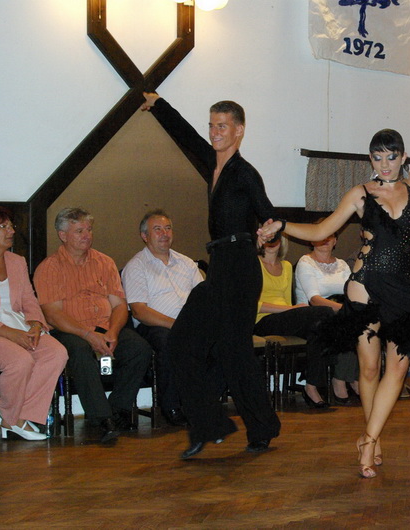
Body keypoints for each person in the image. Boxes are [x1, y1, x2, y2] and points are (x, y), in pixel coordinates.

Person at [258, 65, 410, 478]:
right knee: (369, 368)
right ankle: (370, 443)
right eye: (378, 156)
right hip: (365, 283)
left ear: (403, 158)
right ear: (371, 159)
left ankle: (369, 437)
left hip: (403, 287)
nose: (385, 163)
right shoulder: (360, 194)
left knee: (398, 366)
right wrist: (282, 224)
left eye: (392, 156)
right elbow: (321, 230)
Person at [141, 93, 280, 458]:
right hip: (218, 265)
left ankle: (258, 429)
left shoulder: (245, 174)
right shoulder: (211, 162)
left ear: (239, 131)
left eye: (223, 126)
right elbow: (185, 135)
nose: (215, 132)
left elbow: (270, 214)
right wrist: (159, 104)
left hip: (241, 267)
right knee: (183, 343)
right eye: (212, 126)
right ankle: (211, 423)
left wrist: (269, 232)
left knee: (233, 352)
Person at [34, 207, 152, 443]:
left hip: (105, 327)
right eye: (79, 231)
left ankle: (117, 408)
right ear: (63, 235)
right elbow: (53, 314)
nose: (87, 235)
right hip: (69, 330)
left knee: (139, 349)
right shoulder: (49, 268)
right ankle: (102, 418)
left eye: (88, 229)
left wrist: (113, 332)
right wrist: (88, 335)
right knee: (80, 351)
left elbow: (119, 305)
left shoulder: (104, 262)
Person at [121, 209, 204, 427]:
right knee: (169, 341)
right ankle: (171, 406)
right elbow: (139, 311)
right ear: (144, 236)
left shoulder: (186, 263)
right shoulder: (136, 266)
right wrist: (177, 325)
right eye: (157, 229)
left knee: (221, 339)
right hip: (154, 326)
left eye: (168, 228)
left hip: (188, 323)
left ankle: (205, 402)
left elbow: (204, 298)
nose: (164, 233)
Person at [0, 207, 68, 441]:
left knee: (56, 353)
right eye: (4, 227)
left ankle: (19, 417)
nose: (11, 231)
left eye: (11, 226)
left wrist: (36, 324)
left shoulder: (16, 261)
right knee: (20, 361)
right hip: (2, 330)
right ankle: (9, 418)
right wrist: (9, 333)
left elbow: (29, 299)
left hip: (18, 324)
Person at [253, 236, 334, 409]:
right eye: (268, 239)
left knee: (319, 328)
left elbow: (286, 299)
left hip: (285, 317)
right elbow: (253, 305)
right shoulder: (253, 264)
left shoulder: (287, 266)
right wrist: (291, 309)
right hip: (262, 320)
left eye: (275, 239)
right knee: (325, 312)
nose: (272, 243)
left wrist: (292, 310)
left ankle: (311, 385)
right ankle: (312, 384)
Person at [294, 227, 360, 405]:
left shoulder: (342, 264)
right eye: (321, 236)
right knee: (344, 321)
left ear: (336, 240)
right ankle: (342, 379)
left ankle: (349, 377)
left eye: (329, 236)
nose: (325, 240)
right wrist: (344, 309)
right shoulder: (306, 262)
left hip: (339, 311)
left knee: (359, 321)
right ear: (311, 239)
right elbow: (314, 299)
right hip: (312, 314)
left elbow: (352, 291)